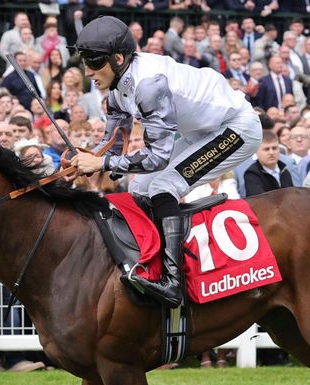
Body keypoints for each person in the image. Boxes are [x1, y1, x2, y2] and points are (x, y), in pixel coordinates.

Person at [69, 16, 262, 308]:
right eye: (85, 62)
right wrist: (82, 159)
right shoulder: (118, 86)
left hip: (237, 127)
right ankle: (152, 263)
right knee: (139, 186)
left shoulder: (148, 86)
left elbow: (157, 157)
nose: (87, 71)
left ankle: (173, 283)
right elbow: (113, 144)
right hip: (203, 130)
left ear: (118, 58)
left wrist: (103, 165)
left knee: (162, 185)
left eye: (94, 63)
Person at [243, 131, 293, 196]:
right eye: (266, 149)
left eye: (274, 148)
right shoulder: (252, 174)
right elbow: (259, 201)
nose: (271, 152)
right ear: (256, 151)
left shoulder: (284, 170)